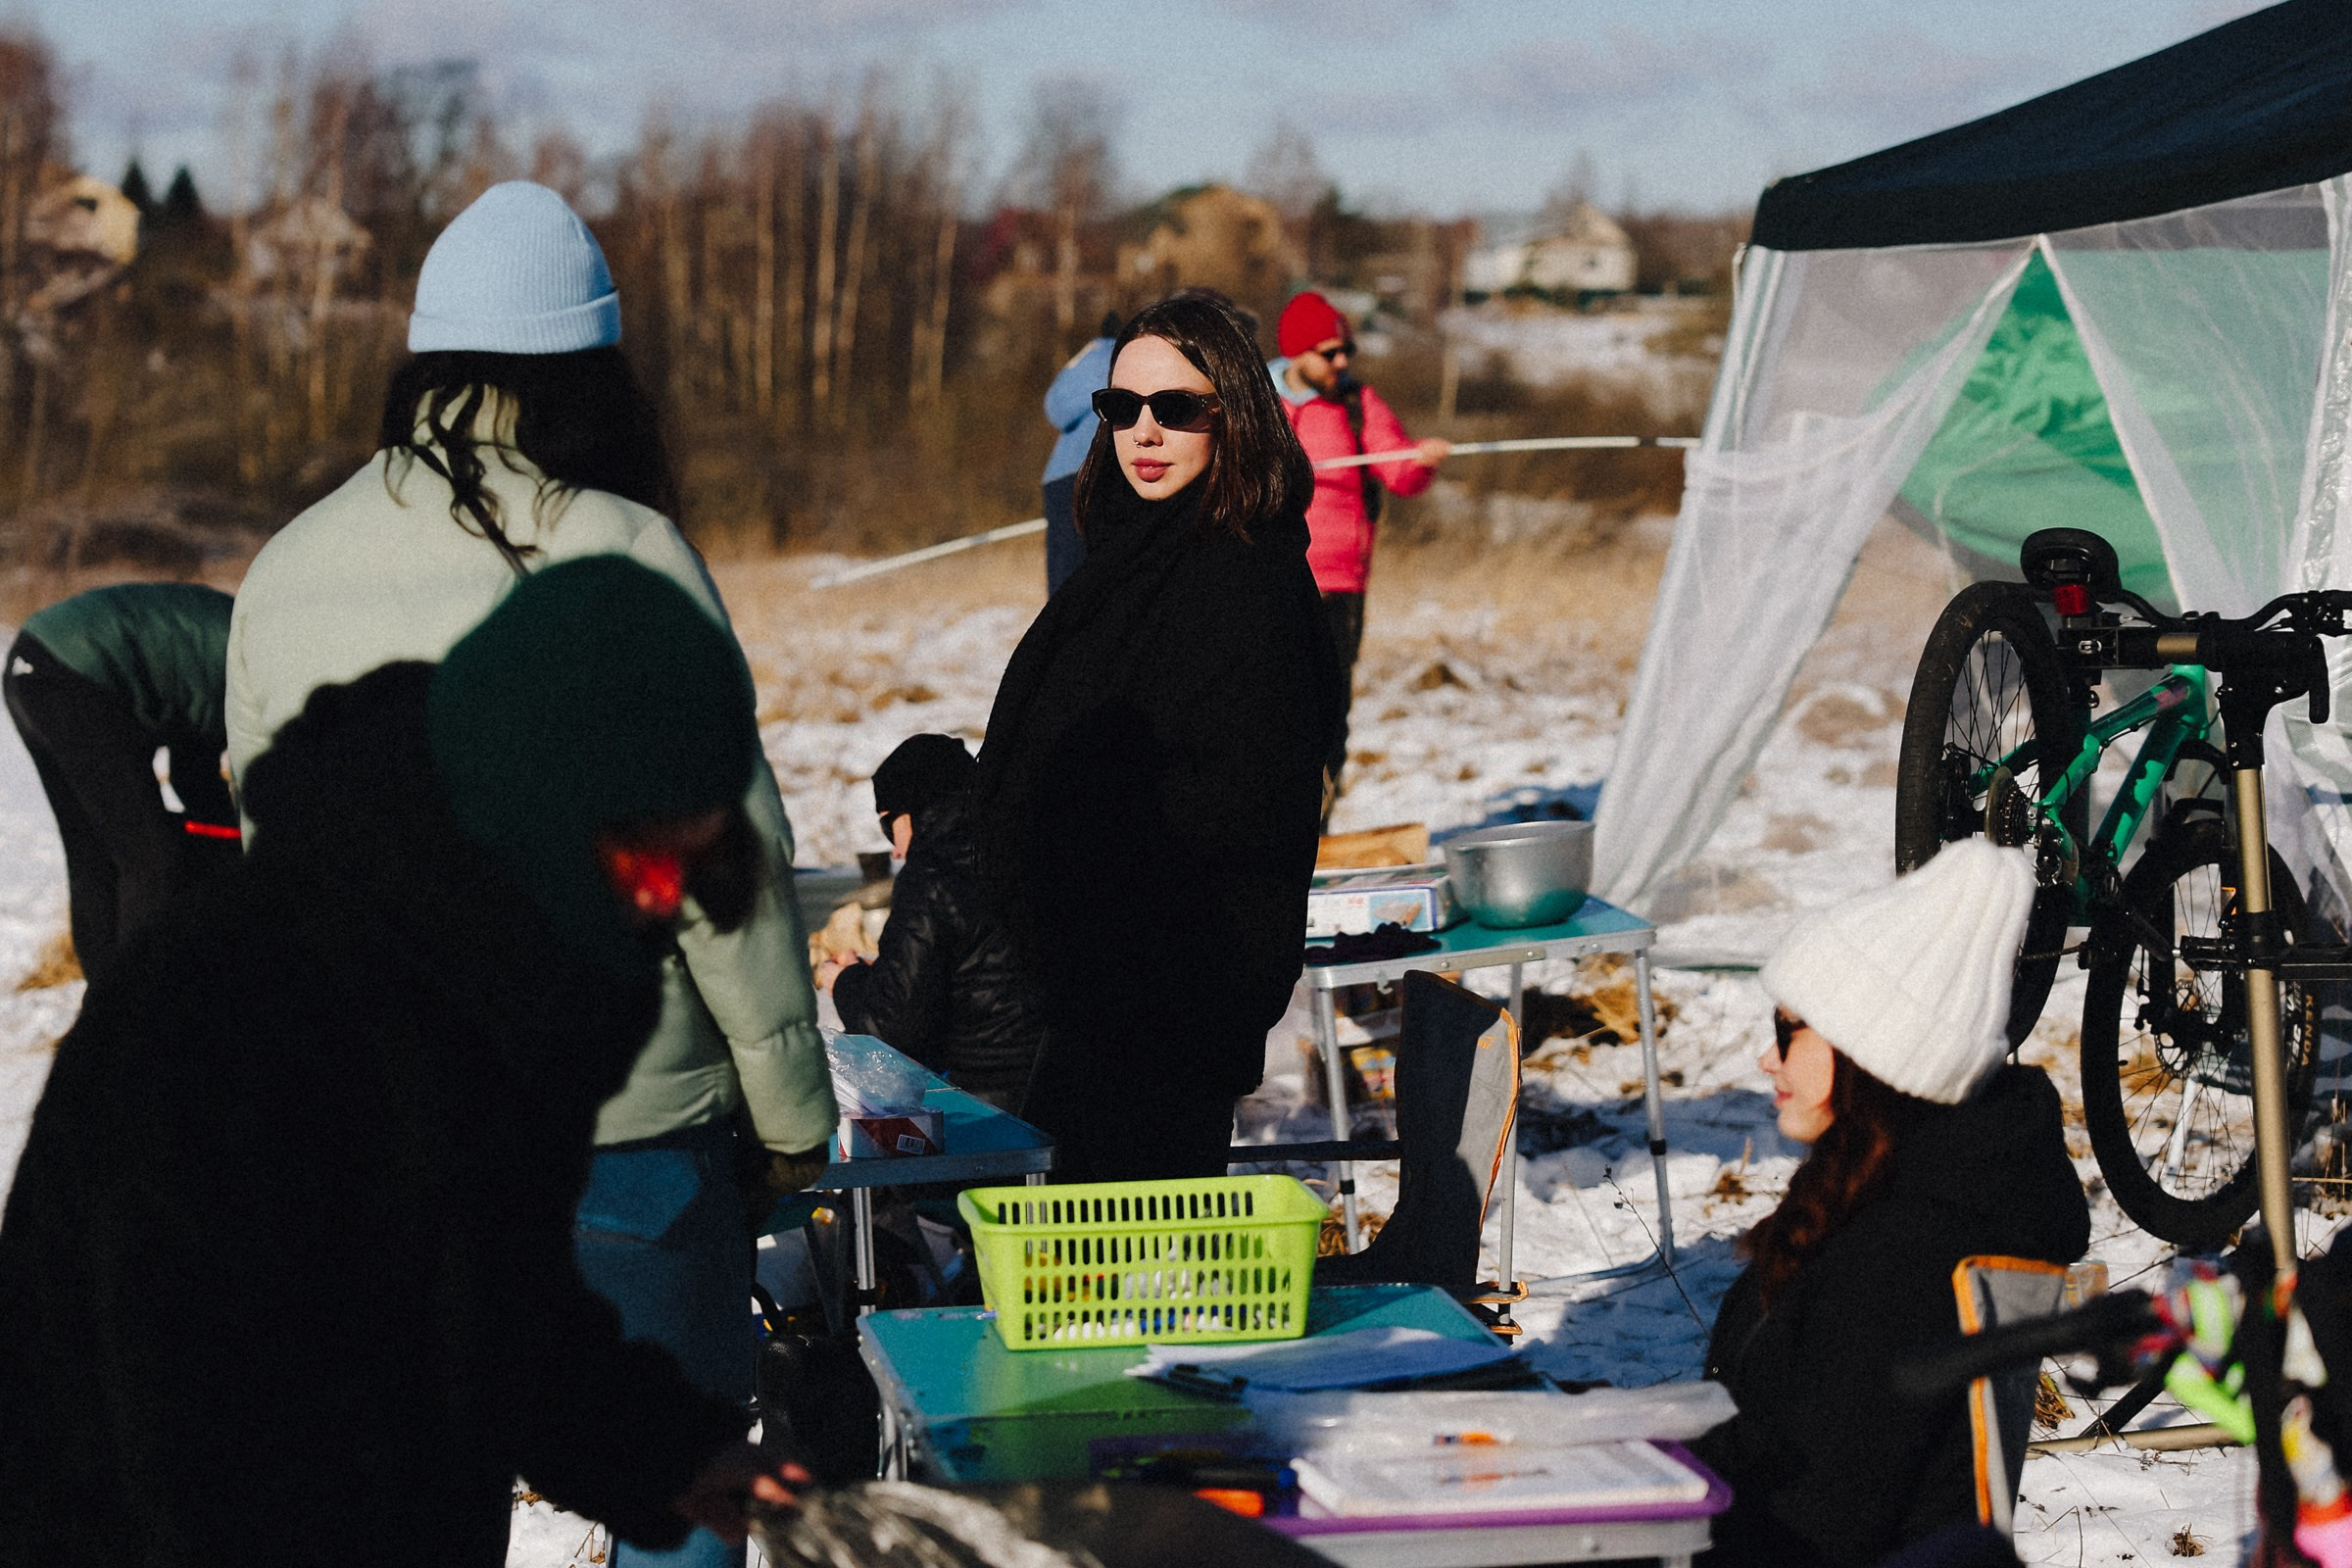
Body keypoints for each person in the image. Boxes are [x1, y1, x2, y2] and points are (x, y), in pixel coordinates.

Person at [223, 181, 833, 1568]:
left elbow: (276, 868)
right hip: (625, 1131)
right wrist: (791, 1115)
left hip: (380, 1127)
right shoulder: (624, 550)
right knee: (680, 1490)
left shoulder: (288, 564)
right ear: (595, 375)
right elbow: (725, 873)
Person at [0, 559, 806, 1566]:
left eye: (683, 873)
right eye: (636, 860)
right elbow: (194, 1432)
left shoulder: (481, 963)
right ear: (539, 800)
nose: (653, 908)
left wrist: (658, 1448)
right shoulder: (261, 1003)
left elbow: (489, 1295)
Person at [970, 291, 1341, 1183]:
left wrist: (1075, 834)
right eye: (1120, 407)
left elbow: (1244, 812)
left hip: (1172, 1004)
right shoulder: (1124, 561)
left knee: (1135, 1284)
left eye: (1176, 410)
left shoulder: (1251, 584)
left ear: (1235, 418)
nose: (1144, 432)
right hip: (1083, 994)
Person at [1692, 839, 2091, 1568]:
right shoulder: (1877, 1190)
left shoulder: (1904, 1252)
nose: (1767, 1057)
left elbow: (1822, 1515)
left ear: (1869, 1050)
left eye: (1789, 1031)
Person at [3, 582, 240, 983]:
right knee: (151, 858)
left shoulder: (239, 651)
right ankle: (133, 1015)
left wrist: (227, 837)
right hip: (75, 671)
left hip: (32, 659)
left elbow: (193, 772)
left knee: (94, 856)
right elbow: (219, 774)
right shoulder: (259, 669)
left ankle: (105, 1017)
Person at [1269, 290, 1450, 803]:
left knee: (1330, 709)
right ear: (1298, 354)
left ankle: (1320, 816)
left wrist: (1422, 459)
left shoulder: (1357, 403)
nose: (1341, 362)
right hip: (1271, 578)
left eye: (1346, 350)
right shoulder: (1257, 404)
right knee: (1271, 705)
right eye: (1329, 353)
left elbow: (1397, 469)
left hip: (1341, 583)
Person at [829, 733, 1044, 1112]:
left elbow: (887, 1029)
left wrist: (844, 980)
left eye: (888, 825)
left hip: (987, 1104)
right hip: (1058, 1085)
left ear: (913, 808)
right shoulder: (1030, 846)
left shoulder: (933, 873)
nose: (894, 850)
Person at [1042, 315, 1119, 594]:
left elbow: (1056, 408)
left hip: (1063, 475)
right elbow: (1057, 407)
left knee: (1067, 576)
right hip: (1093, 472)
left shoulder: (1087, 357)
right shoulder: (1112, 355)